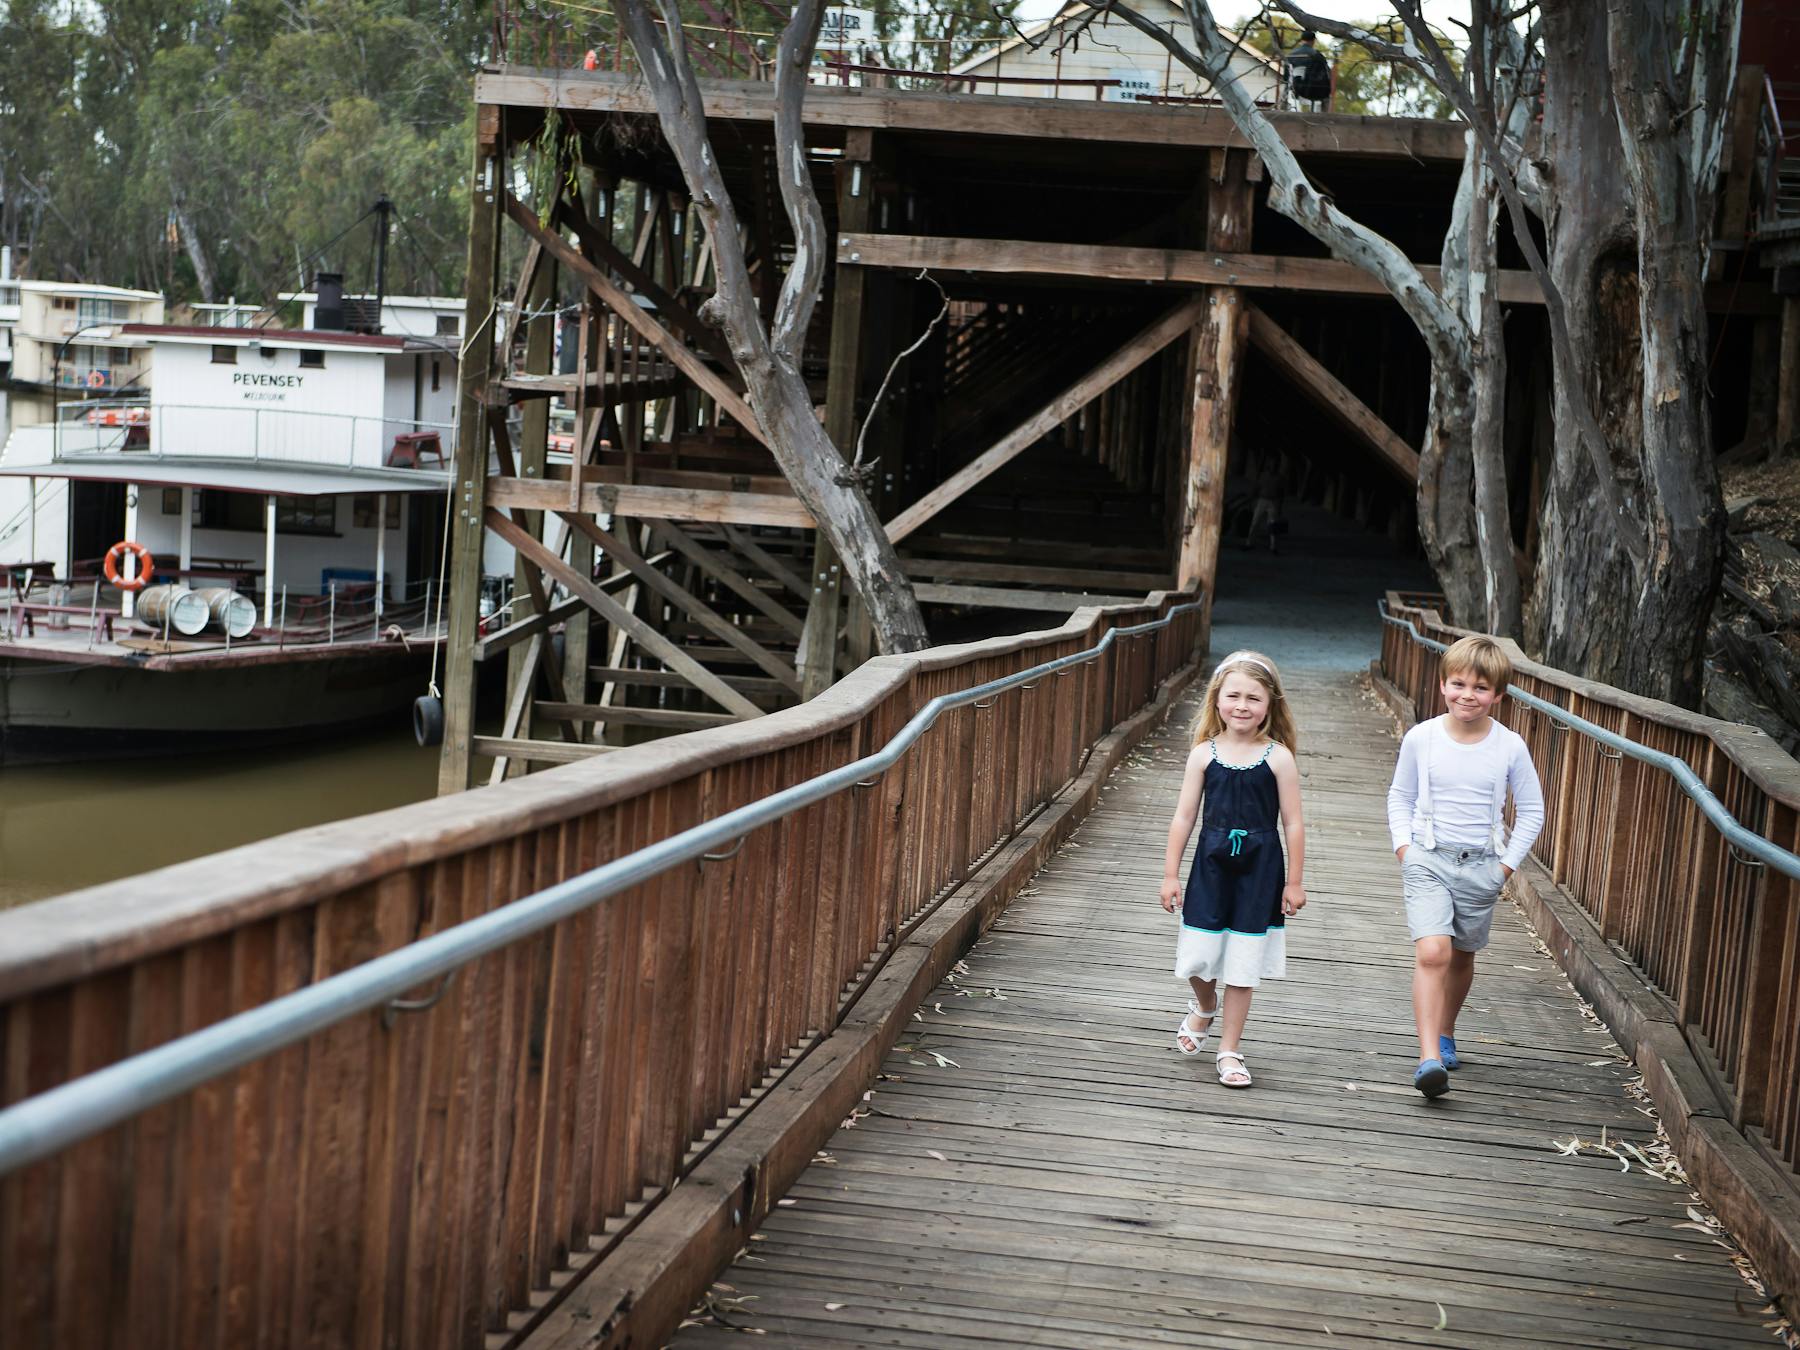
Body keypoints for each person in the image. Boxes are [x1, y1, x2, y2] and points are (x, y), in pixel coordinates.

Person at [1386, 636, 1545, 1099]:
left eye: (1480, 687)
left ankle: (1446, 1031)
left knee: (1461, 955)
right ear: (1442, 685)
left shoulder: (1509, 746)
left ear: (1498, 695)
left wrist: (1505, 868)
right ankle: (1428, 1058)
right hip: (1428, 857)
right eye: (1458, 684)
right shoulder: (1423, 738)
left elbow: (1532, 810)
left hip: (1482, 865)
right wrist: (1404, 848)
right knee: (1433, 951)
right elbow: (1400, 795)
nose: (1467, 695)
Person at [1160, 650, 1307, 1089]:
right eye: (1234, 696)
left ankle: (1229, 1049)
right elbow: (1184, 817)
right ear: (1217, 699)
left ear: (1270, 704)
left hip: (1260, 870)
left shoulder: (1278, 758)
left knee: (1243, 961)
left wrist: (1294, 882)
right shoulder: (1202, 755)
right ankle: (1205, 1005)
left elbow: (1293, 823)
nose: (1242, 706)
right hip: (1211, 865)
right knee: (1197, 955)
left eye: (1254, 698)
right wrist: (1170, 874)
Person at [1285, 30, 1333, 111]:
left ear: (1301, 40)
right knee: (1326, 94)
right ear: (1313, 41)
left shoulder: (1291, 54)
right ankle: (1323, 115)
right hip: (1311, 89)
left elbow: (1285, 76)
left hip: (1293, 87)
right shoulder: (1316, 55)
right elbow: (1325, 73)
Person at [1245, 461, 1284, 553]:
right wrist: (1252, 496)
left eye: (1275, 465)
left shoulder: (1279, 478)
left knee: (1273, 525)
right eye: (1272, 465)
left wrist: (1279, 506)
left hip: (1273, 502)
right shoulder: (1263, 475)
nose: (1273, 467)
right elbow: (1257, 486)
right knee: (1255, 522)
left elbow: (1281, 493)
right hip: (1262, 500)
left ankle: (1273, 547)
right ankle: (1249, 543)